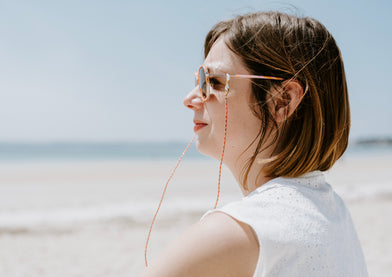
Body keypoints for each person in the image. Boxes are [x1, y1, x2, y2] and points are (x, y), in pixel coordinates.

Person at [140, 11, 368, 277]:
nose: (191, 97)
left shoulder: (232, 232)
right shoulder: (333, 211)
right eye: (198, 79)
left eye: (212, 81)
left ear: (282, 100)